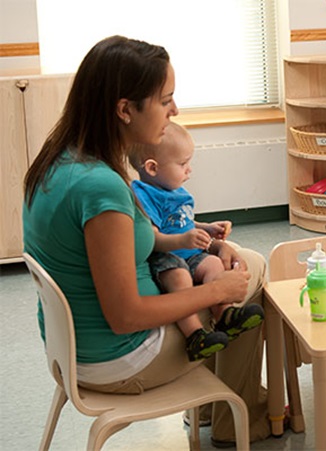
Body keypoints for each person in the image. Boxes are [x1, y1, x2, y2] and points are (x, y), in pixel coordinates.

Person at [22, 35, 270, 445]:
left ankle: (216, 407)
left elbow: (125, 247)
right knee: (250, 271)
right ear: (124, 109)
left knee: (229, 259)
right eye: (165, 100)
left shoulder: (62, 158)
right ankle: (234, 419)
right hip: (121, 359)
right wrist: (218, 292)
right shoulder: (101, 188)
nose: (175, 110)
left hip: (73, 350)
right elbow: (126, 315)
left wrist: (199, 241)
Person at [129, 121, 264, 362]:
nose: (189, 170)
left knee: (214, 264)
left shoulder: (175, 189)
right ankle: (195, 336)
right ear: (152, 168)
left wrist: (206, 228)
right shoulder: (143, 194)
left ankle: (225, 316)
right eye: (182, 164)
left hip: (191, 253)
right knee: (179, 278)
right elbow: (150, 237)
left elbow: (183, 221)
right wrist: (183, 238)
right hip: (167, 258)